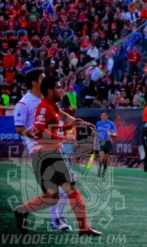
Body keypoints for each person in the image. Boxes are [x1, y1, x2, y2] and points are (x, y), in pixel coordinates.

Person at [13, 76, 101, 236]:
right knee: (72, 190)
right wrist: (63, 138)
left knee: (52, 197)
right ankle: (84, 228)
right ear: (50, 91)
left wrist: (73, 125)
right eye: (59, 87)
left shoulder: (51, 107)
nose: (62, 90)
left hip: (41, 156)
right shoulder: (44, 107)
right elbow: (39, 130)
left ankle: (22, 211)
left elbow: (49, 128)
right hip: (50, 154)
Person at [14, 69, 73, 233]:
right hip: (40, 150)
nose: (46, 80)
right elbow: (19, 128)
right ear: (34, 82)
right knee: (57, 189)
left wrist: (77, 123)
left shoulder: (48, 100)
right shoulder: (24, 103)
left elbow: (61, 115)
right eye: (42, 78)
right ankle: (55, 220)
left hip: (53, 146)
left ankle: (26, 211)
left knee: (62, 187)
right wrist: (35, 136)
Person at [95, 111, 117, 179]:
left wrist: (111, 134)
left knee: (106, 160)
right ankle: (99, 172)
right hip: (101, 142)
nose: (103, 117)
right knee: (101, 158)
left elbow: (115, 134)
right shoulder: (98, 123)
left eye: (104, 115)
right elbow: (96, 134)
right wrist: (94, 143)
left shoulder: (111, 124)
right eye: (102, 115)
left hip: (108, 143)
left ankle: (103, 172)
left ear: (107, 116)